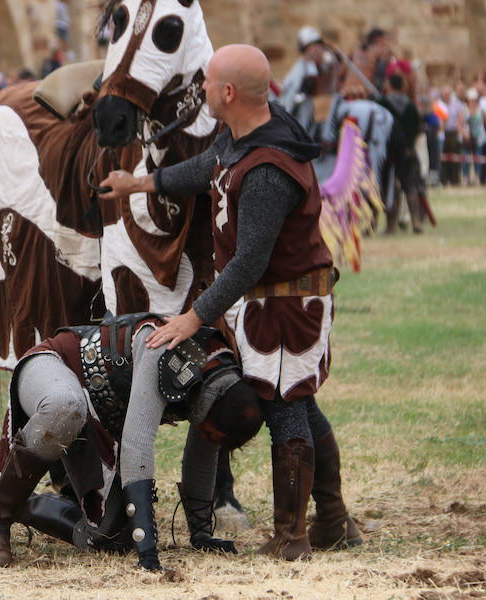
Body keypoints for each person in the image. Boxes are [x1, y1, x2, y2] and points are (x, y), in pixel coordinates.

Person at [100, 44, 362, 561]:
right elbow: (207, 169)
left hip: (287, 307)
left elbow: (250, 262)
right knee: (298, 400)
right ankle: (333, 521)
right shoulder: (241, 136)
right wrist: (141, 182)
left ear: (227, 93)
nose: (201, 87)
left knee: (285, 406)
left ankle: (292, 538)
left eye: (208, 81)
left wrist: (190, 318)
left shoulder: (269, 167)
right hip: (267, 305)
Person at [0, 313, 263, 571]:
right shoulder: (163, 348)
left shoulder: (219, 384)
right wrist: (148, 550)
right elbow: (137, 443)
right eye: (210, 433)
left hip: (101, 419)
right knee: (66, 407)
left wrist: (202, 535)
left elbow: (203, 455)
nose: (206, 439)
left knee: (112, 539)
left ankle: (17, 499)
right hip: (54, 365)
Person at [378, 73, 424, 232]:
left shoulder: (383, 103)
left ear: (390, 85)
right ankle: (416, 222)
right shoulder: (410, 105)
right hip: (407, 151)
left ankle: (391, 226)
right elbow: (419, 127)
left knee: (389, 187)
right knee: (409, 186)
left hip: (388, 152)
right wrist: (410, 144)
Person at [278, 26, 339, 133]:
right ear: (305, 49)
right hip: (303, 113)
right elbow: (288, 100)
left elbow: (333, 84)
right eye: (312, 46)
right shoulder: (298, 70)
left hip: (325, 111)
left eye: (318, 45)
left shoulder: (327, 65)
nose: (316, 49)